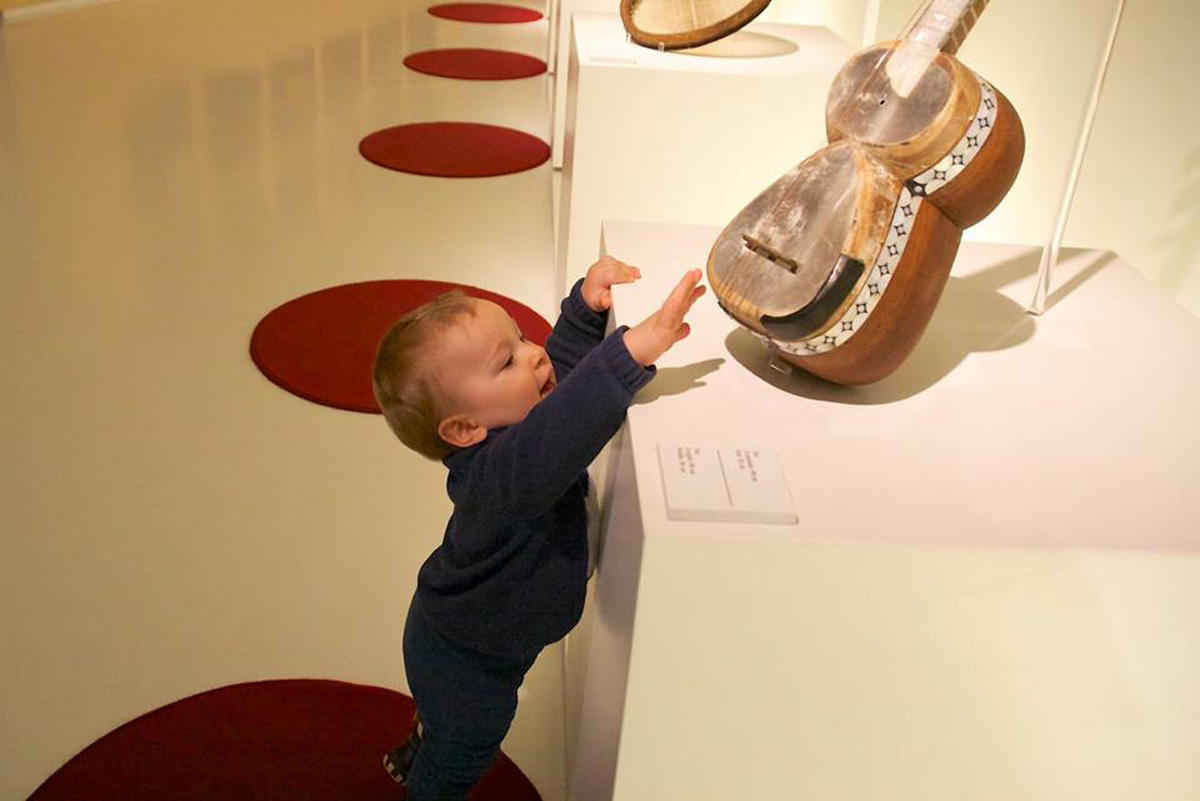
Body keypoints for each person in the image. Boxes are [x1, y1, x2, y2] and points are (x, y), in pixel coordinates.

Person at [371, 258, 705, 800]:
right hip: (468, 661)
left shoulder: (520, 417)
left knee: (444, 722)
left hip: (466, 634)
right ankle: (429, 781)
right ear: (464, 428)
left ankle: (426, 737)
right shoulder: (498, 479)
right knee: (462, 757)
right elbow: (563, 427)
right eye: (507, 362)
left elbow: (558, 383)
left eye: (521, 337)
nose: (534, 353)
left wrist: (580, 312)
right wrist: (631, 352)